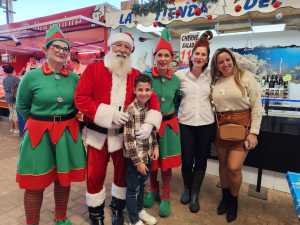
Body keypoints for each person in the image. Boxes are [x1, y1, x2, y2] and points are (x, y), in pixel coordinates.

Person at [74, 32, 161, 225]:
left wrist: (150, 122)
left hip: (124, 137)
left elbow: (152, 99)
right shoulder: (94, 69)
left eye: (126, 47)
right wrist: (109, 114)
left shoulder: (136, 74)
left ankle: (117, 208)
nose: (122, 50)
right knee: (95, 174)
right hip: (97, 134)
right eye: (118, 45)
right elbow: (81, 99)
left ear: (131, 50)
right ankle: (96, 213)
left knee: (123, 176)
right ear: (110, 47)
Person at [16, 24, 86, 225]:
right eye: (56, 47)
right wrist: (42, 121)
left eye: (65, 49)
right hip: (39, 135)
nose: (61, 51)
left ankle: (61, 217)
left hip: (66, 133)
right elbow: (22, 106)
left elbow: (79, 103)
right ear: (45, 49)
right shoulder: (31, 77)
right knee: (34, 182)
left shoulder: (74, 78)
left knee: (63, 178)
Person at [211, 48, 262, 223]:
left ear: (233, 59)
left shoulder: (246, 77)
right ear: (216, 65)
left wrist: (254, 133)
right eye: (220, 61)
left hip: (242, 129)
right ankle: (224, 198)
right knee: (223, 165)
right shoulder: (215, 81)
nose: (225, 64)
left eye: (227, 60)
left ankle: (233, 200)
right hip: (221, 129)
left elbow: (256, 106)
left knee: (233, 167)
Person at [175, 31, 216, 213]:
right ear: (191, 56)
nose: (199, 57)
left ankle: (194, 194)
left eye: (203, 55)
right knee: (186, 160)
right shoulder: (179, 76)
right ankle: (186, 188)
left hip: (206, 124)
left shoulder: (211, 77)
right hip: (185, 124)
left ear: (207, 58)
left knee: (201, 160)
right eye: (197, 54)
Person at [143, 29, 181, 217]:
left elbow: (178, 102)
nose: (163, 59)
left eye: (167, 55)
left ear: (172, 58)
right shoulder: (146, 78)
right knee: (152, 161)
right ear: (155, 56)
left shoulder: (176, 80)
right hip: (152, 127)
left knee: (166, 164)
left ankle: (165, 196)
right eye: (160, 55)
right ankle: (152, 189)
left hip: (170, 125)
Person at [124, 75, 159, 225]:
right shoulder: (131, 110)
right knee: (133, 189)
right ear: (134, 90)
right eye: (140, 90)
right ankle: (133, 219)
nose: (144, 93)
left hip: (147, 155)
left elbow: (152, 130)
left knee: (142, 185)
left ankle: (140, 210)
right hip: (135, 159)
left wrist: (156, 146)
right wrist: (137, 162)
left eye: (147, 90)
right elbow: (128, 140)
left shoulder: (148, 109)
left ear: (151, 91)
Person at [2, 64, 20, 135]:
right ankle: (16, 129)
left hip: (7, 97)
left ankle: (11, 128)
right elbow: (21, 87)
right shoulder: (15, 79)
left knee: (11, 112)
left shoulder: (5, 79)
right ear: (12, 70)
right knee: (15, 113)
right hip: (14, 98)